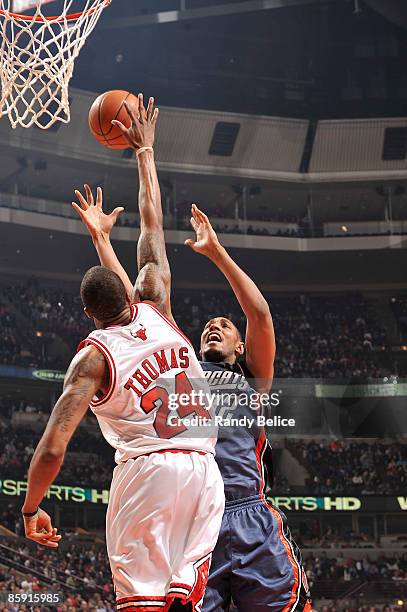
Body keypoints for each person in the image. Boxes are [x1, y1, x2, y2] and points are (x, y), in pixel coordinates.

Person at [22, 94, 224, 612]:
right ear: (128, 290)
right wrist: (145, 151)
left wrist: (30, 509)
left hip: (148, 476)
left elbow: (51, 449)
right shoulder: (157, 303)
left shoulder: (92, 359)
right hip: (205, 473)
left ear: (89, 315)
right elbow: (152, 228)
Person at [79, 194, 312, 610]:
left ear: (241, 346)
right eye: (208, 325)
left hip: (249, 511)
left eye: (223, 325)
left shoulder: (253, 377)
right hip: (193, 516)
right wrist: (102, 242)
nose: (213, 327)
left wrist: (217, 253)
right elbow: (135, 309)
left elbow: (259, 315)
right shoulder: (179, 366)